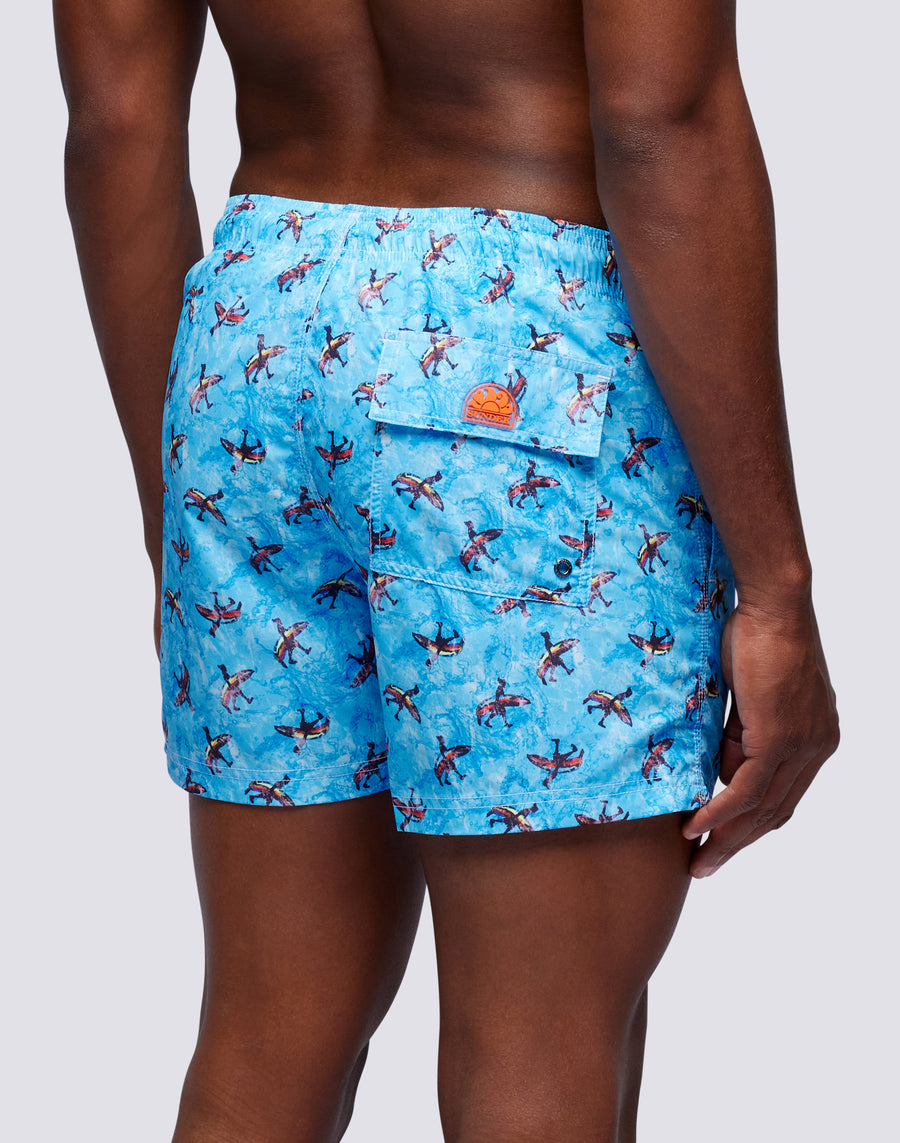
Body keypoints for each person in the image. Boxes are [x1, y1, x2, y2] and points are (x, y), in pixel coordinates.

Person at [54, 1, 840, 1139]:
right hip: (514, 364)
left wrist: (175, 507)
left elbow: (115, 121)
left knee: (265, 1037)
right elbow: (660, 118)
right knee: (540, 1052)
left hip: (253, 334)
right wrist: (776, 591)